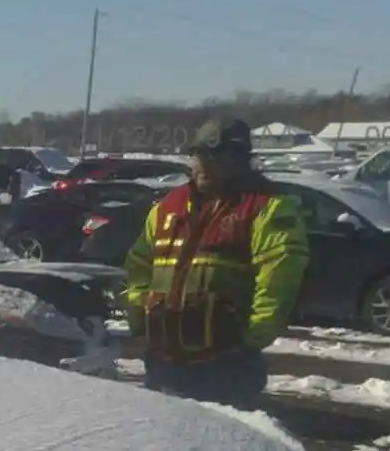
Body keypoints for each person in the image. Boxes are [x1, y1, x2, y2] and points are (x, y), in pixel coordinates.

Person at [121, 118, 310, 406]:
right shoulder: (168, 206)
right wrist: (140, 315)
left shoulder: (266, 207)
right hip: (163, 361)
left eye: (216, 156)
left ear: (239, 160)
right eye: (199, 156)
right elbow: (138, 264)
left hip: (224, 367)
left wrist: (251, 339)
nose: (204, 165)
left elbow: (279, 280)